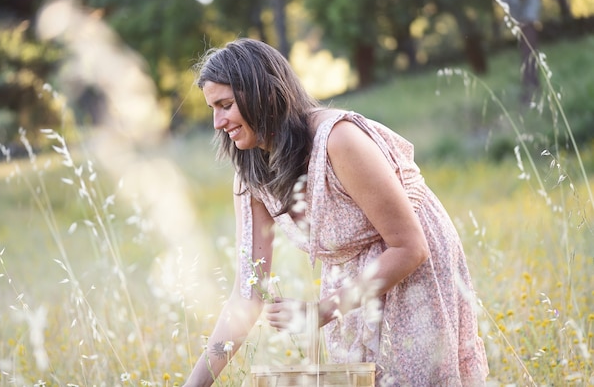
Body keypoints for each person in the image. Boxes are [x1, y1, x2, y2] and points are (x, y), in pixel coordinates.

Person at [183, 38, 489, 386]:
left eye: (225, 105)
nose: (217, 122)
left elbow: (410, 248)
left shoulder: (338, 140)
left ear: (262, 94)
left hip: (409, 270)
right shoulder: (251, 171)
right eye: (212, 108)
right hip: (349, 283)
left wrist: (320, 311)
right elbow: (247, 294)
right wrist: (195, 385)